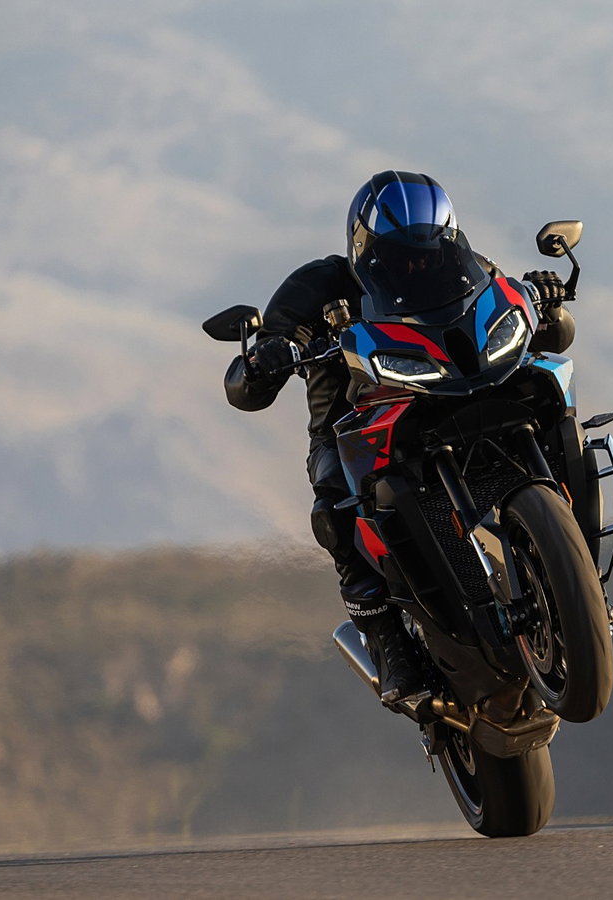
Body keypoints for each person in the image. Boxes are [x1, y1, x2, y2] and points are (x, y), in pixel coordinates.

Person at [221, 170, 575, 705]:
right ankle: (386, 639)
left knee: (549, 383)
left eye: (431, 249)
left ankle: (572, 554)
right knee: (335, 504)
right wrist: (264, 356)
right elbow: (246, 385)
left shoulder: (471, 270)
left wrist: (542, 299)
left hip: (461, 392)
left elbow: (546, 324)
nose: (418, 263)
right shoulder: (318, 287)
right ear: (366, 249)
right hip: (357, 424)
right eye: (400, 255)